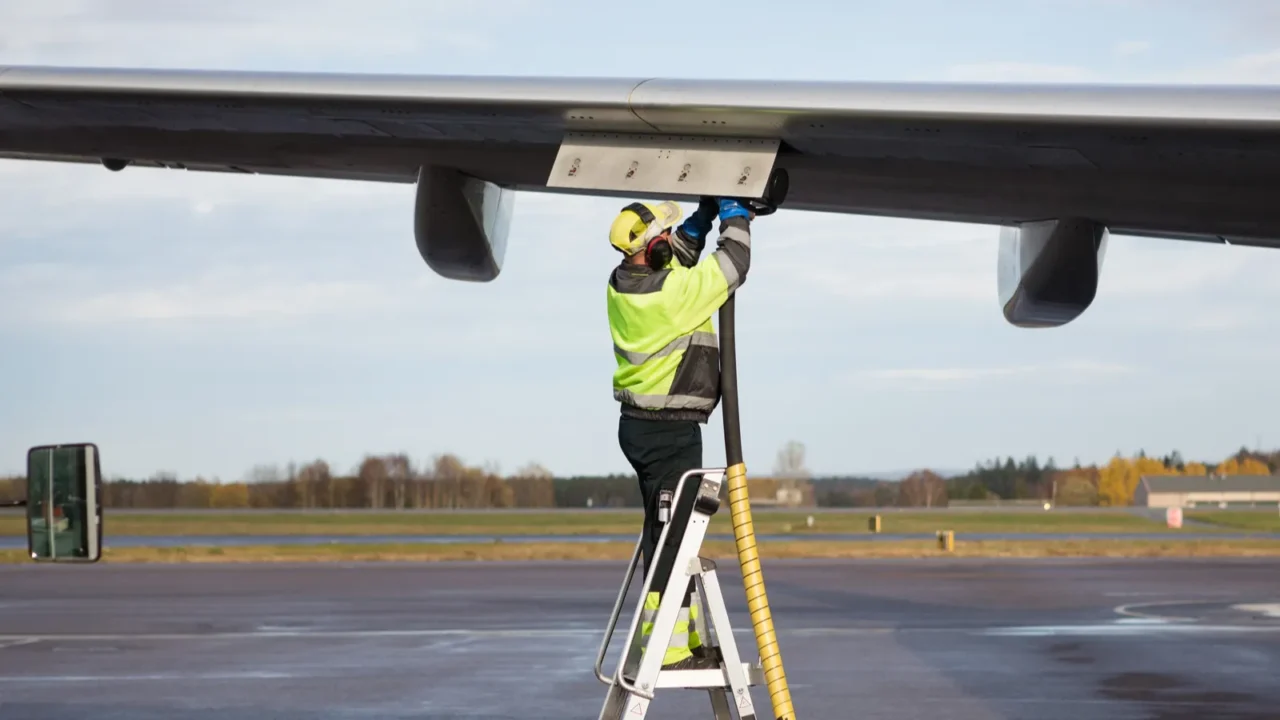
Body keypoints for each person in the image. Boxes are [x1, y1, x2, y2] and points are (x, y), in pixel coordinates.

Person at [606, 195, 753, 670]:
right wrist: (735, 214)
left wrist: (703, 216)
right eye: (665, 238)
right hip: (669, 434)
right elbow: (734, 264)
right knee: (674, 542)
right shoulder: (673, 297)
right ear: (655, 250)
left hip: (641, 428)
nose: (673, 242)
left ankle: (682, 640)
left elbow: (679, 255)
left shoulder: (623, 283)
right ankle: (667, 652)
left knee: (667, 536)